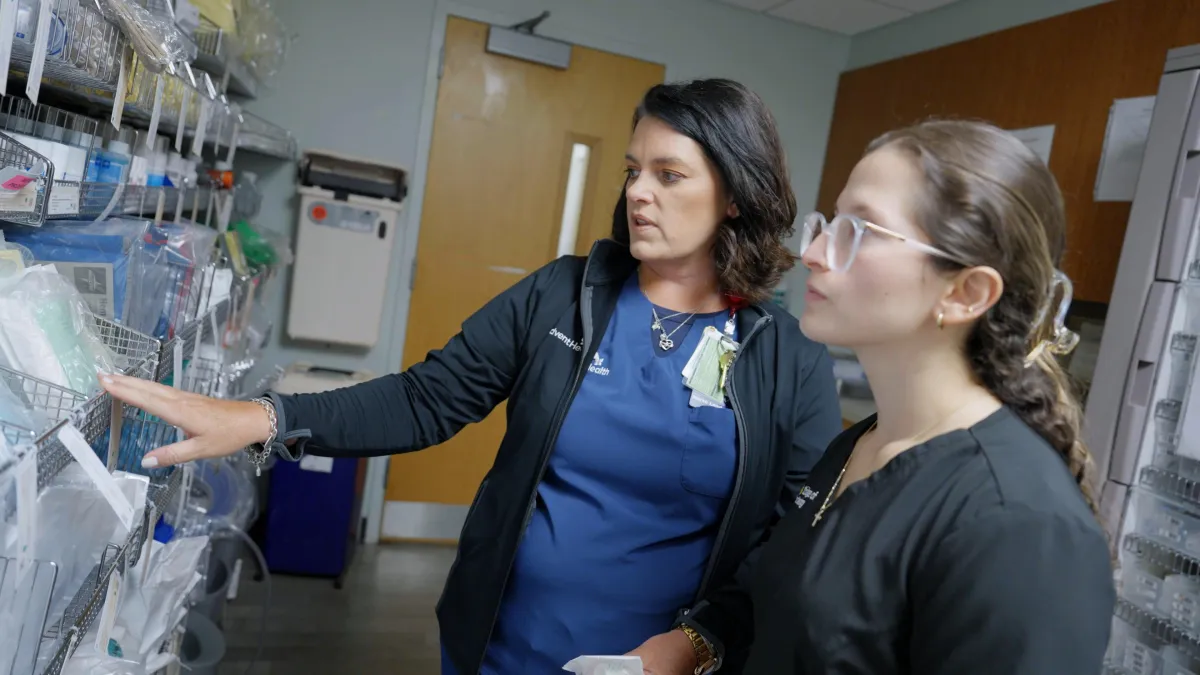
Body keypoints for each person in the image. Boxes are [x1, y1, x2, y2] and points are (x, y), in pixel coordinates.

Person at [101, 79, 843, 675]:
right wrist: (264, 417)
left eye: (669, 174)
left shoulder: (788, 359)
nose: (637, 192)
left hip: (657, 663)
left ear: (736, 194)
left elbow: (794, 540)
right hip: (499, 641)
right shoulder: (565, 294)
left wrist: (696, 644)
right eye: (632, 170)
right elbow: (427, 398)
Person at [648, 119, 1116, 674]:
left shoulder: (1016, 523)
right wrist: (693, 642)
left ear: (966, 291)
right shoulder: (864, 441)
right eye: (828, 223)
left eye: (860, 230)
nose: (814, 252)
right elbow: (789, 583)